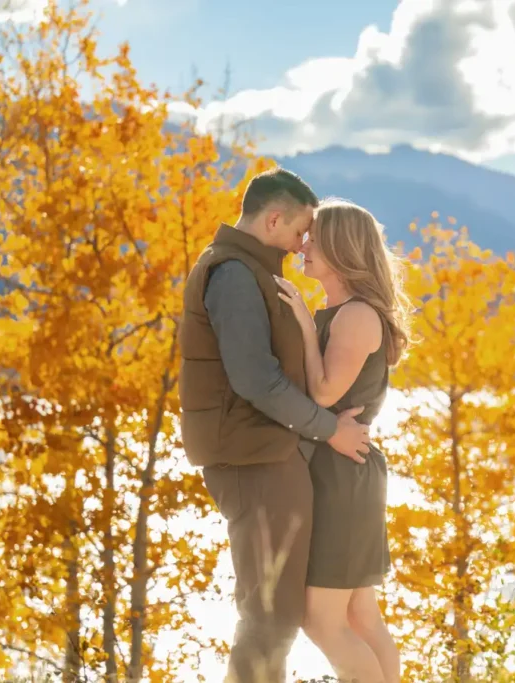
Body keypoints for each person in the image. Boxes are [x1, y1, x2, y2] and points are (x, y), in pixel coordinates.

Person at [177, 168, 372, 683]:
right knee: (270, 616)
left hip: (267, 454)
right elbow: (256, 381)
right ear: (274, 218)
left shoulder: (256, 270)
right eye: (300, 230)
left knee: (275, 613)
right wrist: (329, 430)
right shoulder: (235, 273)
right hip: (252, 457)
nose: (303, 241)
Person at [275, 198, 412, 683]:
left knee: (322, 619)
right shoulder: (341, 312)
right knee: (359, 614)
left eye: (315, 237)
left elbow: (324, 390)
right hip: (345, 469)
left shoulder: (354, 315)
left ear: (342, 248)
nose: (304, 245)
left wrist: (303, 329)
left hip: (343, 474)